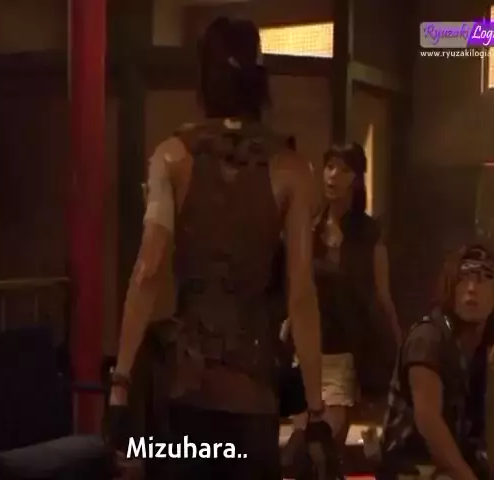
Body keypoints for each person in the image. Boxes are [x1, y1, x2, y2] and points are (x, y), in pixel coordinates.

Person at [107, 17, 328, 480]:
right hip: (252, 394)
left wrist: (121, 384)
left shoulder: (172, 156)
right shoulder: (292, 168)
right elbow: (302, 294)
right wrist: (315, 410)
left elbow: (148, 270)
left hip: (185, 390)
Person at [378, 244, 494, 479]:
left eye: (483, 279)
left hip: (462, 465)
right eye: (463, 278)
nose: (471, 289)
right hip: (413, 467)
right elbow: (429, 423)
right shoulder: (428, 337)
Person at [285, 142, 401, 446]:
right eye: (330, 167)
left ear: (356, 178)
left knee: (327, 442)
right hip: (307, 349)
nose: (333, 176)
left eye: (344, 169)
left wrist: (398, 347)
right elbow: (297, 286)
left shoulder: (367, 232)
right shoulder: (309, 226)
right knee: (301, 443)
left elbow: (382, 295)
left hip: (345, 349)